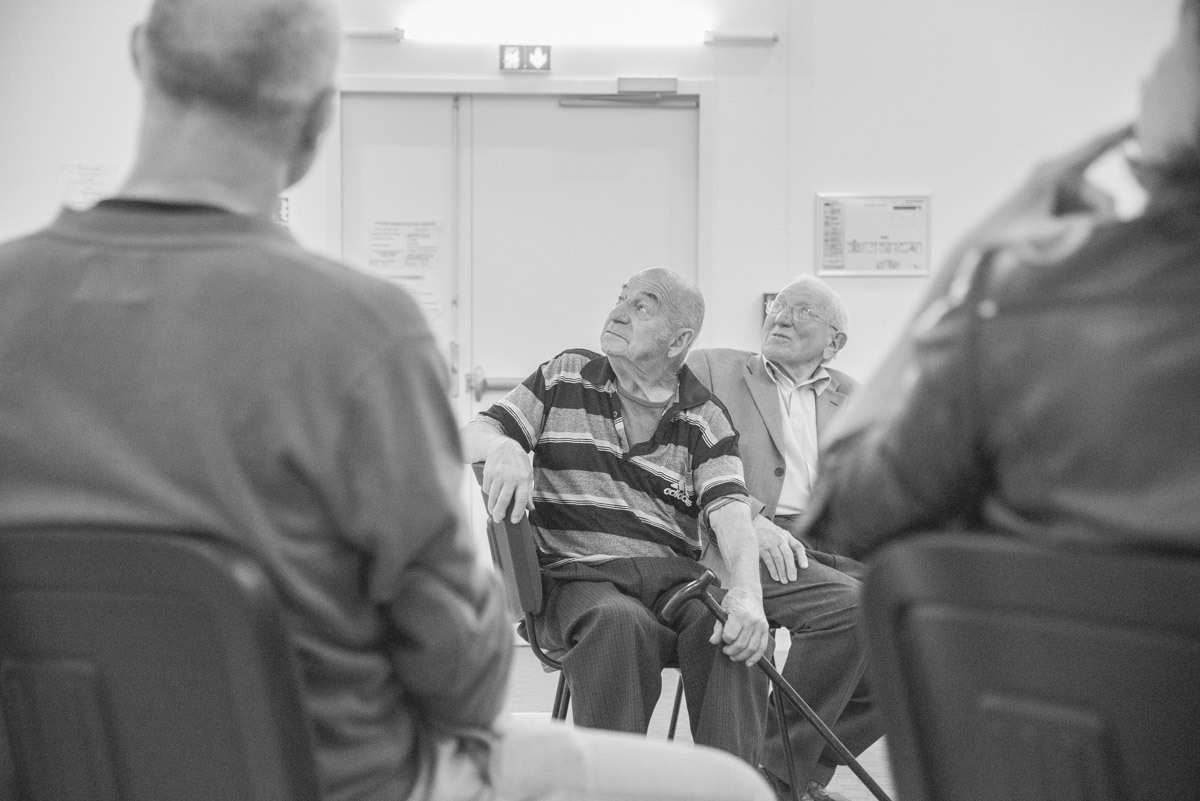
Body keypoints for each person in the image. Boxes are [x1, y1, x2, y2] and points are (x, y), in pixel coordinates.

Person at [0, 1, 775, 800]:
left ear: (140, 59)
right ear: (315, 119)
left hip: (55, 770)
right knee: (730, 789)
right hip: (329, 776)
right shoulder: (363, 331)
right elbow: (460, 672)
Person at [801, 0, 1200, 561]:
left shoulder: (1018, 310)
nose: (1149, 76)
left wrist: (963, 263)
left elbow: (841, 517)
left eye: (1176, 47)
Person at [462, 268, 773, 766]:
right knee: (618, 623)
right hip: (575, 578)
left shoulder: (706, 417)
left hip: (673, 584)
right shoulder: (566, 375)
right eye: (621, 298)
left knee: (733, 633)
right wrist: (502, 446)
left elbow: (731, 512)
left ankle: (734, 784)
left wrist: (747, 595)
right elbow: (471, 433)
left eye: (642, 306)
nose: (618, 312)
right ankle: (614, 784)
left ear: (679, 341)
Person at [687, 275, 881, 801]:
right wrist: (750, 518)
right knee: (851, 610)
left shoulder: (856, 397)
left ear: (835, 342)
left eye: (804, 311)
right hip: (741, 535)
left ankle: (788, 774)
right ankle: (776, 777)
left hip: (831, 540)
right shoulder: (712, 369)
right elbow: (675, 459)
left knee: (910, 630)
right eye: (779, 307)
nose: (783, 317)